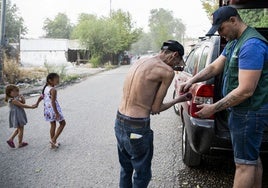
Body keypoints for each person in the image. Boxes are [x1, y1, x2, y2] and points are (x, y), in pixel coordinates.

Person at [180, 6, 268, 188]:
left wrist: (213, 108)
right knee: (251, 160)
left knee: (243, 165)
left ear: (233, 20)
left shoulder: (251, 45)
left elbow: (246, 90)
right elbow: (213, 67)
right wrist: (192, 80)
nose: (221, 34)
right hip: (241, 112)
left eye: (221, 29)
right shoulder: (235, 42)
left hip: (249, 113)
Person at [115, 40, 192, 188]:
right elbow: (156, 109)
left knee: (126, 169)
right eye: (178, 60)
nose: (177, 65)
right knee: (142, 174)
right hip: (137, 127)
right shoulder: (166, 72)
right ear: (175, 55)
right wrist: (179, 99)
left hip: (119, 121)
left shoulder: (140, 60)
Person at [35, 73, 66, 149]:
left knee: (53, 125)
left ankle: (53, 143)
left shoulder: (46, 88)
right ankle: (53, 140)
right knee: (62, 123)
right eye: (57, 80)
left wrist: (37, 103)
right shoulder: (53, 90)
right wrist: (56, 113)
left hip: (47, 110)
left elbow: (42, 96)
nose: (58, 81)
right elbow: (53, 102)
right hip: (53, 109)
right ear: (50, 80)